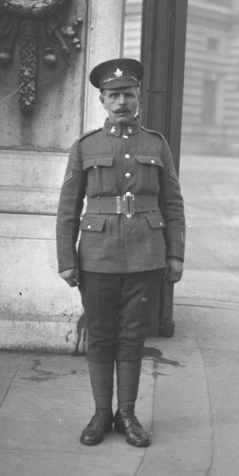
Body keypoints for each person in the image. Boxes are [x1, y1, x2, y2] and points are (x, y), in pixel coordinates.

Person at [56, 58, 185, 448]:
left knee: (132, 336)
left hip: (146, 254)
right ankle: (100, 414)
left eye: (128, 94)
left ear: (139, 97)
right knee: (100, 335)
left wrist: (175, 255)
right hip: (97, 255)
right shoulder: (86, 147)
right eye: (114, 95)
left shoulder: (156, 144)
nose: (122, 102)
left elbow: (174, 204)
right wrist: (66, 259)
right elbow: (68, 207)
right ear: (102, 99)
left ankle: (126, 414)